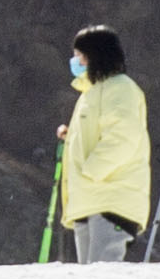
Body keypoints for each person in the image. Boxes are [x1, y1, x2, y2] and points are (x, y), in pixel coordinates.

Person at [57, 24, 150, 264]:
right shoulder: (91, 93)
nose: (75, 61)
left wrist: (91, 170)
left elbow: (123, 136)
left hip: (111, 200)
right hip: (89, 201)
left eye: (79, 55)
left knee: (103, 278)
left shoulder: (121, 89)